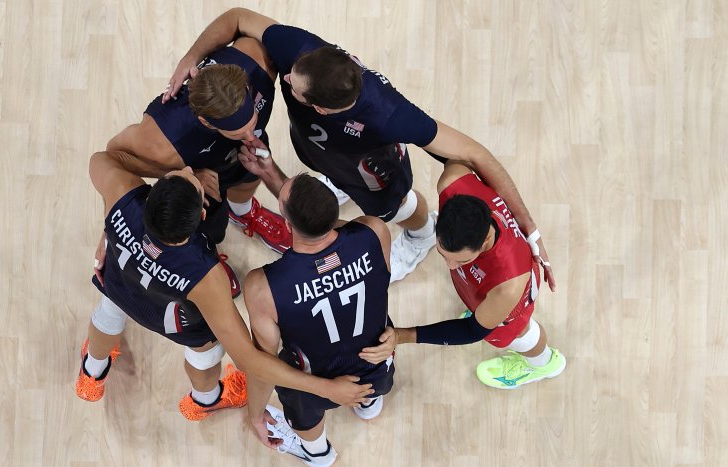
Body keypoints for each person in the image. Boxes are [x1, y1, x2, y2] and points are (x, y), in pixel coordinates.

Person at [164, 8, 555, 288]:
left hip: (373, 175)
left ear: (318, 106)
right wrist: (191, 57)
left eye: (292, 89)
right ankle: (335, 182)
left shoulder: (391, 114)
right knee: (326, 179)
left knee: (398, 205)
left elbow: (477, 154)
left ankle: (420, 235)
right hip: (326, 157)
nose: (285, 79)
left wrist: (531, 232)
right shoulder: (303, 53)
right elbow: (236, 18)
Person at [75, 151, 375, 422]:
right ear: (202, 217)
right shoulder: (206, 277)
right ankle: (207, 399)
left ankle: (93, 371)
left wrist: (109, 230)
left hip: (119, 286)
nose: (189, 166)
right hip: (174, 320)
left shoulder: (120, 192)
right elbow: (246, 358)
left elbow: (101, 158)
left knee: (107, 315)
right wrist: (325, 387)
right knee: (205, 351)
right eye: (190, 175)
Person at [98, 36, 292, 297]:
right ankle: (209, 256)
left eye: (252, 120)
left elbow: (237, 16)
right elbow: (113, 157)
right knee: (205, 230)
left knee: (247, 180)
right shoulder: (159, 138)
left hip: (240, 161)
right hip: (201, 183)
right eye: (237, 131)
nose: (250, 136)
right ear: (207, 122)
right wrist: (180, 175)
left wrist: (191, 55)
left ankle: (244, 212)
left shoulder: (256, 59)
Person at [241, 170, 397, 467]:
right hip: (378, 364)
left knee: (303, 411)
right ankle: (368, 404)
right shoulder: (374, 231)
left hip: (312, 384)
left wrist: (255, 412)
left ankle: (317, 453)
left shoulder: (262, 287)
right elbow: (347, 240)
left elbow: (263, 365)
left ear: (287, 224)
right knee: (373, 376)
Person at [365, 162, 565, 389]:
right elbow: (460, 154)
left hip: (509, 306)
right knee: (480, 305)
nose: (451, 266)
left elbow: (472, 331)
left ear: (486, 241)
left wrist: (401, 336)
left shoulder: (507, 286)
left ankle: (543, 364)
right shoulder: (452, 182)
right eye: (443, 254)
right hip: (488, 292)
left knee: (520, 333)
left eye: (462, 260)